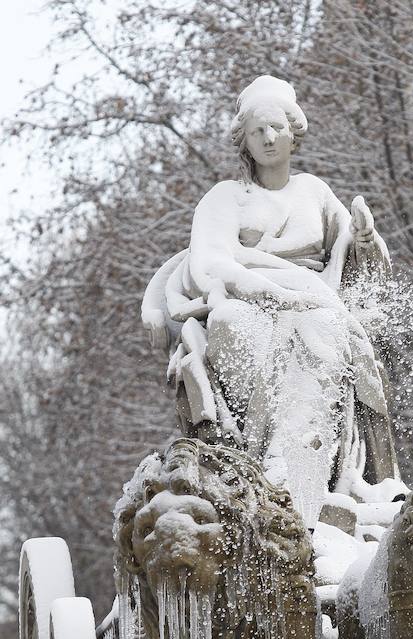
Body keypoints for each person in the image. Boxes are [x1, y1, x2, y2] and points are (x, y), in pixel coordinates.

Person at [142, 75, 399, 526]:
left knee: (321, 331)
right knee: (234, 322)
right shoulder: (225, 198)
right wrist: (272, 291)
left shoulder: (315, 194)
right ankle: (271, 466)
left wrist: (361, 238)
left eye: (276, 127)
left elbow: (365, 270)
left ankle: (291, 470)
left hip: (312, 303)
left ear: (293, 132)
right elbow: (208, 265)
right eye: (257, 129)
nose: (267, 137)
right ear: (244, 137)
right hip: (246, 299)